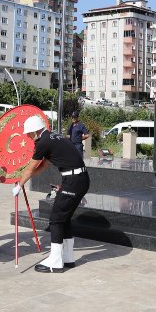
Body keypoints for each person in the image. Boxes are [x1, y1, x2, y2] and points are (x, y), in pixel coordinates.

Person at [13, 115, 90, 273]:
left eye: (28, 133)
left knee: (55, 219)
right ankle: (68, 258)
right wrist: (27, 177)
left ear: (35, 131)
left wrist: (20, 184)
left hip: (73, 180)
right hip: (79, 179)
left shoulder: (43, 142)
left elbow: (31, 167)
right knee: (64, 218)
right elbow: (43, 167)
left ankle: (55, 261)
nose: (27, 136)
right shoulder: (53, 137)